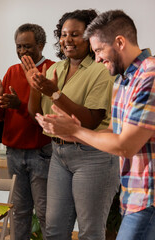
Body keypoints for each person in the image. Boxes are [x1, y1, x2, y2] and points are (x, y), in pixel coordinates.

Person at [35, 10, 155, 240]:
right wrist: (70, 133)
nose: (97, 58)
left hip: (149, 198)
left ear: (119, 42)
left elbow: (126, 146)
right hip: (134, 195)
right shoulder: (123, 80)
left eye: (99, 50)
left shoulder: (149, 75)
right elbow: (112, 132)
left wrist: (75, 131)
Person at [22, 9, 120, 240]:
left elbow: (90, 120)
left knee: (89, 232)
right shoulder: (55, 69)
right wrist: (35, 87)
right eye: (64, 34)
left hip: (93, 155)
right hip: (59, 153)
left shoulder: (102, 69)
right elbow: (35, 113)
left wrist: (55, 93)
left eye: (75, 34)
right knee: (54, 229)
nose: (67, 40)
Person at [0, 23, 54, 239]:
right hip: (13, 152)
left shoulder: (51, 70)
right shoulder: (12, 71)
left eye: (28, 46)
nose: (22, 51)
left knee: (45, 213)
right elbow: (2, 116)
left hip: (41, 153)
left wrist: (19, 105)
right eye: (19, 46)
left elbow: (46, 117)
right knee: (19, 212)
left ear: (41, 45)